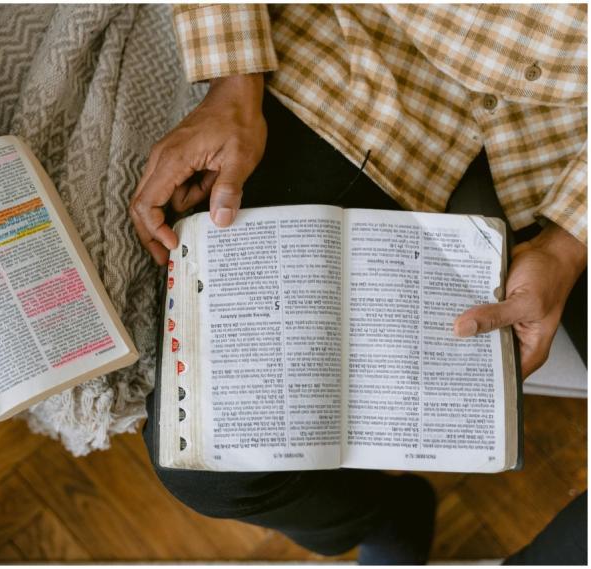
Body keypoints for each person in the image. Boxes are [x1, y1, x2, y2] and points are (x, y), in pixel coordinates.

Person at [132, 4, 587, 564]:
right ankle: (388, 516)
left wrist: (571, 239)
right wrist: (233, 82)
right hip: (356, 69)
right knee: (209, 467)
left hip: (573, 138)